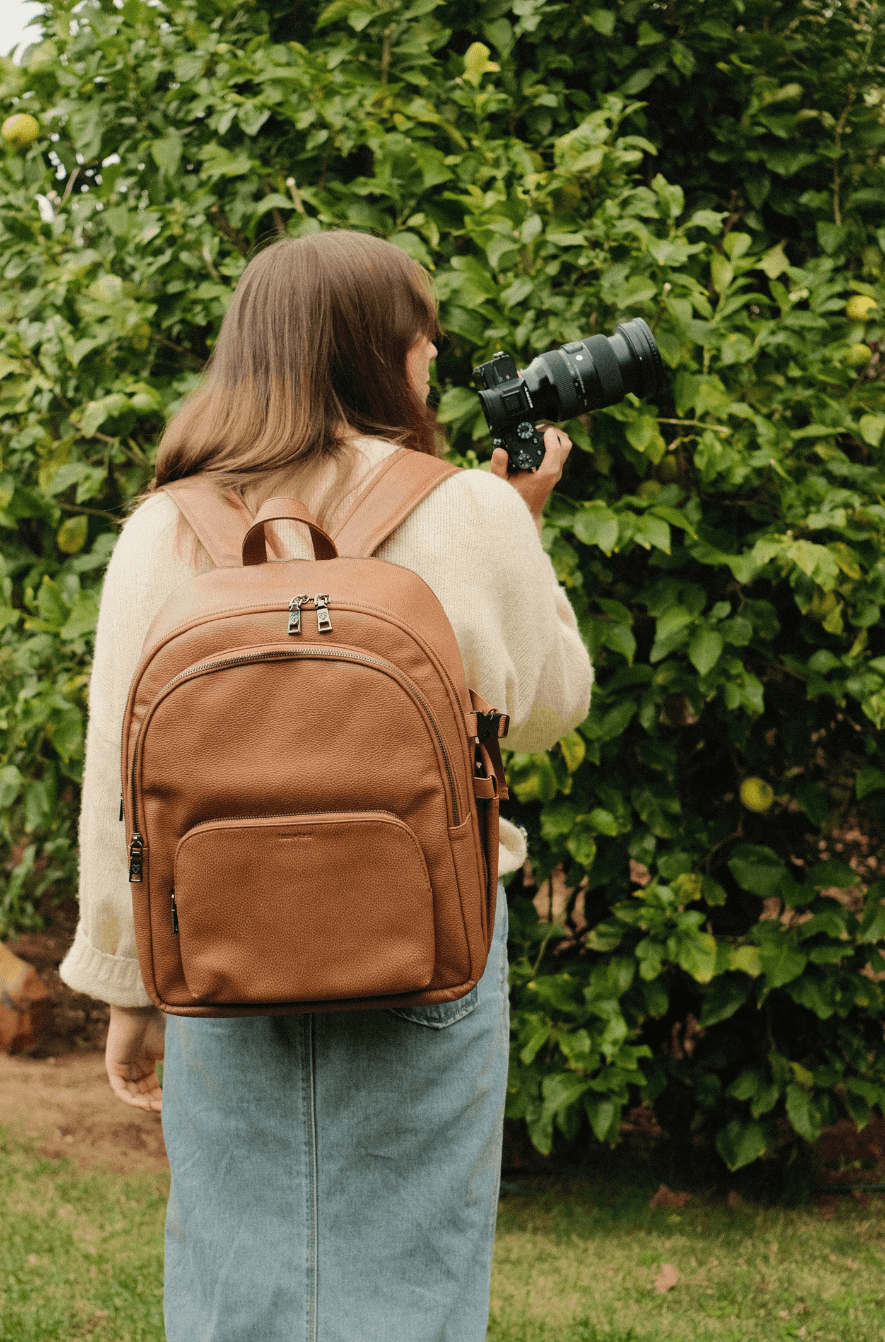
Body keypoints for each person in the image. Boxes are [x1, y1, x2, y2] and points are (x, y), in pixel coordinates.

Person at [59, 229, 593, 1341]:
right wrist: (522, 536)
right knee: (416, 1276)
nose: (433, 365)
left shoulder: (165, 526)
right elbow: (547, 712)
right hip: (428, 941)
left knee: (233, 1277)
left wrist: (126, 984)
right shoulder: (470, 510)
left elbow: (121, 775)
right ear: (382, 353)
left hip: (219, 943)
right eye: (424, 344)